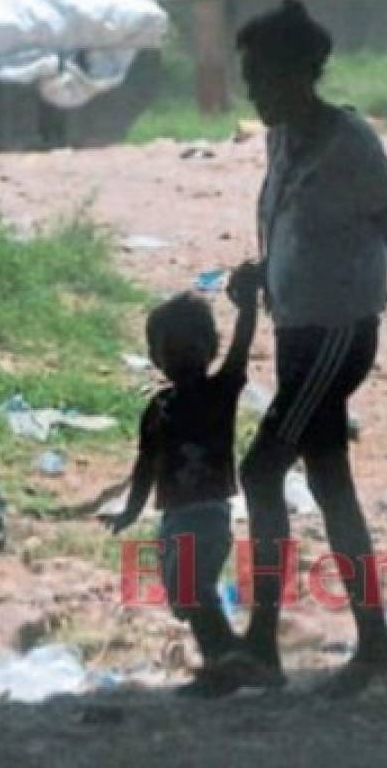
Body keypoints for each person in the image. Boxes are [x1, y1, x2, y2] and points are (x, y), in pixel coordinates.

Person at [216, 0, 387, 699]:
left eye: (257, 76)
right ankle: (374, 646)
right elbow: (285, 222)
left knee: (259, 471)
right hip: (296, 328)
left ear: (296, 73)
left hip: (338, 334)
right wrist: (259, 278)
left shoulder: (350, 144)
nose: (250, 89)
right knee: (328, 481)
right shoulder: (281, 140)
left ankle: (262, 643)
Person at [100, 269, 261, 698]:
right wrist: (132, 510)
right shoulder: (158, 408)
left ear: (209, 350)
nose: (178, 359)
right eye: (168, 352)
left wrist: (248, 308)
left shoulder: (220, 392)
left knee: (194, 590)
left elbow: (243, 350)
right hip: (172, 516)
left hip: (208, 514)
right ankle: (227, 657)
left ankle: (222, 663)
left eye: (187, 349)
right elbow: (145, 464)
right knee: (184, 595)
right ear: (156, 357)